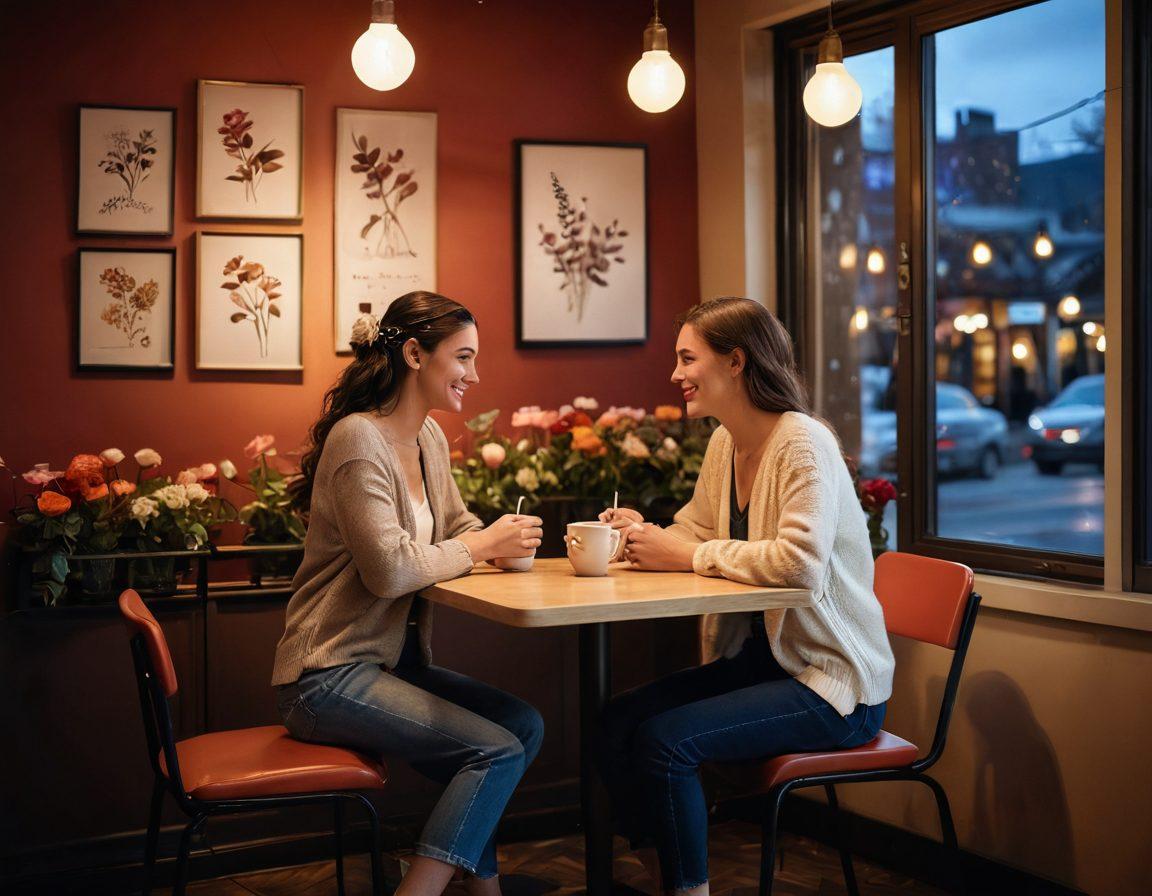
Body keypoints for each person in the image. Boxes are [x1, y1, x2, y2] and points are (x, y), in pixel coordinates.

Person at [597, 297, 895, 896]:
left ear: (736, 362)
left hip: (834, 687)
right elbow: (700, 532)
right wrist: (647, 534)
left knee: (664, 741)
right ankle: (668, 880)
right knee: (617, 720)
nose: (675, 374)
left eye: (687, 358)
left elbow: (799, 568)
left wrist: (686, 554)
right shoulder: (726, 444)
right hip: (764, 666)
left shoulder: (802, 443)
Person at [273, 291, 545, 896]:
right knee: (495, 753)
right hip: (324, 676)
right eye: (464, 358)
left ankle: (481, 891)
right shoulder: (357, 440)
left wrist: (500, 540)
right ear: (416, 355)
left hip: (392, 668)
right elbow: (390, 571)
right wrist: (480, 548)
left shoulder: (429, 441)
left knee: (520, 727)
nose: (475, 375)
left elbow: (454, 527)